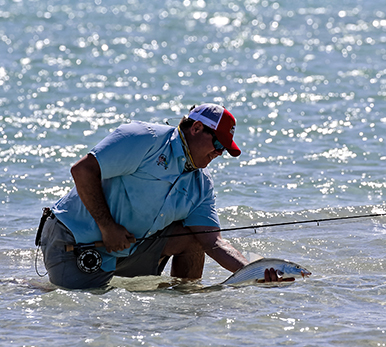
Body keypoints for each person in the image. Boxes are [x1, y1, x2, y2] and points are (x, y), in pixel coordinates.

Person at [37, 103, 282, 290]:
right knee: (86, 318)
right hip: (74, 241)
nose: (218, 153)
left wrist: (254, 272)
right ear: (196, 128)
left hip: (129, 249)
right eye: (217, 144)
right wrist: (107, 226)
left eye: (224, 150)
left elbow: (213, 243)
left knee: (196, 237)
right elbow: (81, 170)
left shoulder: (202, 185)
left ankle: (181, 304)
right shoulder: (145, 138)